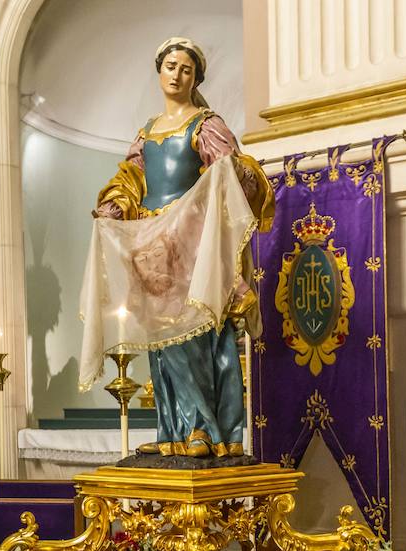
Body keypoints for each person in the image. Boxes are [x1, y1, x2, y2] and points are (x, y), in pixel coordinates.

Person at [79, 36, 274, 460]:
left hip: (191, 242)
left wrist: (232, 172)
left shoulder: (206, 124)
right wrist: (112, 209)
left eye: (186, 69)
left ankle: (204, 429)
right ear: (159, 71)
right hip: (151, 245)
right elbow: (130, 180)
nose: (177, 74)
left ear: (196, 78)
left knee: (196, 336)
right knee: (162, 341)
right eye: (171, 65)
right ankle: (172, 431)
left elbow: (230, 177)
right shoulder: (145, 133)